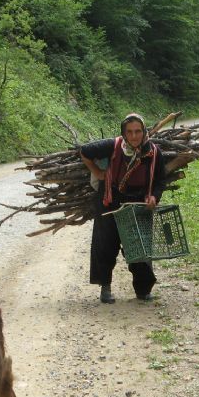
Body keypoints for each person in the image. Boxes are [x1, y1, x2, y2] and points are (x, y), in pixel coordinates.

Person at [79, 113, 167, 303]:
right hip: (109, 200)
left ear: (144, 132)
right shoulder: (113, 146)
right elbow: (84, 151)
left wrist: (154, 196)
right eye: (130, 132)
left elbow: (160, 180)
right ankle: (105, 288)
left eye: (138, 131)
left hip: (138, 203)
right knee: (105, 245)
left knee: (139, 246)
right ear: (124, 133)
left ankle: (143, 289)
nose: (134, 136)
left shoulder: (154, 153)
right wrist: (97, 172)